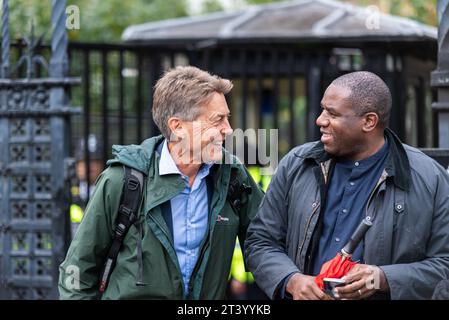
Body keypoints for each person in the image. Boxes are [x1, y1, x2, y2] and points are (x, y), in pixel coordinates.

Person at [58, 66, 263, 299]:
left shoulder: (233, 176)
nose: (228, 129)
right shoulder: (123, 180)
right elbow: (76, 270)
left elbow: (266, 241)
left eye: (227, 118)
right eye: (217, 120)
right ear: (177, 126)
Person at [245, 71, 449, 300]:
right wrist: (291, 280)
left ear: (369, 121)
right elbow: (260, 242)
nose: (320, 120)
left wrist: (381, 278)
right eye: (323, 109)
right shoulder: (296, 164)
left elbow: (445, 265)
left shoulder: (429, 177)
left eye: (332, 113)